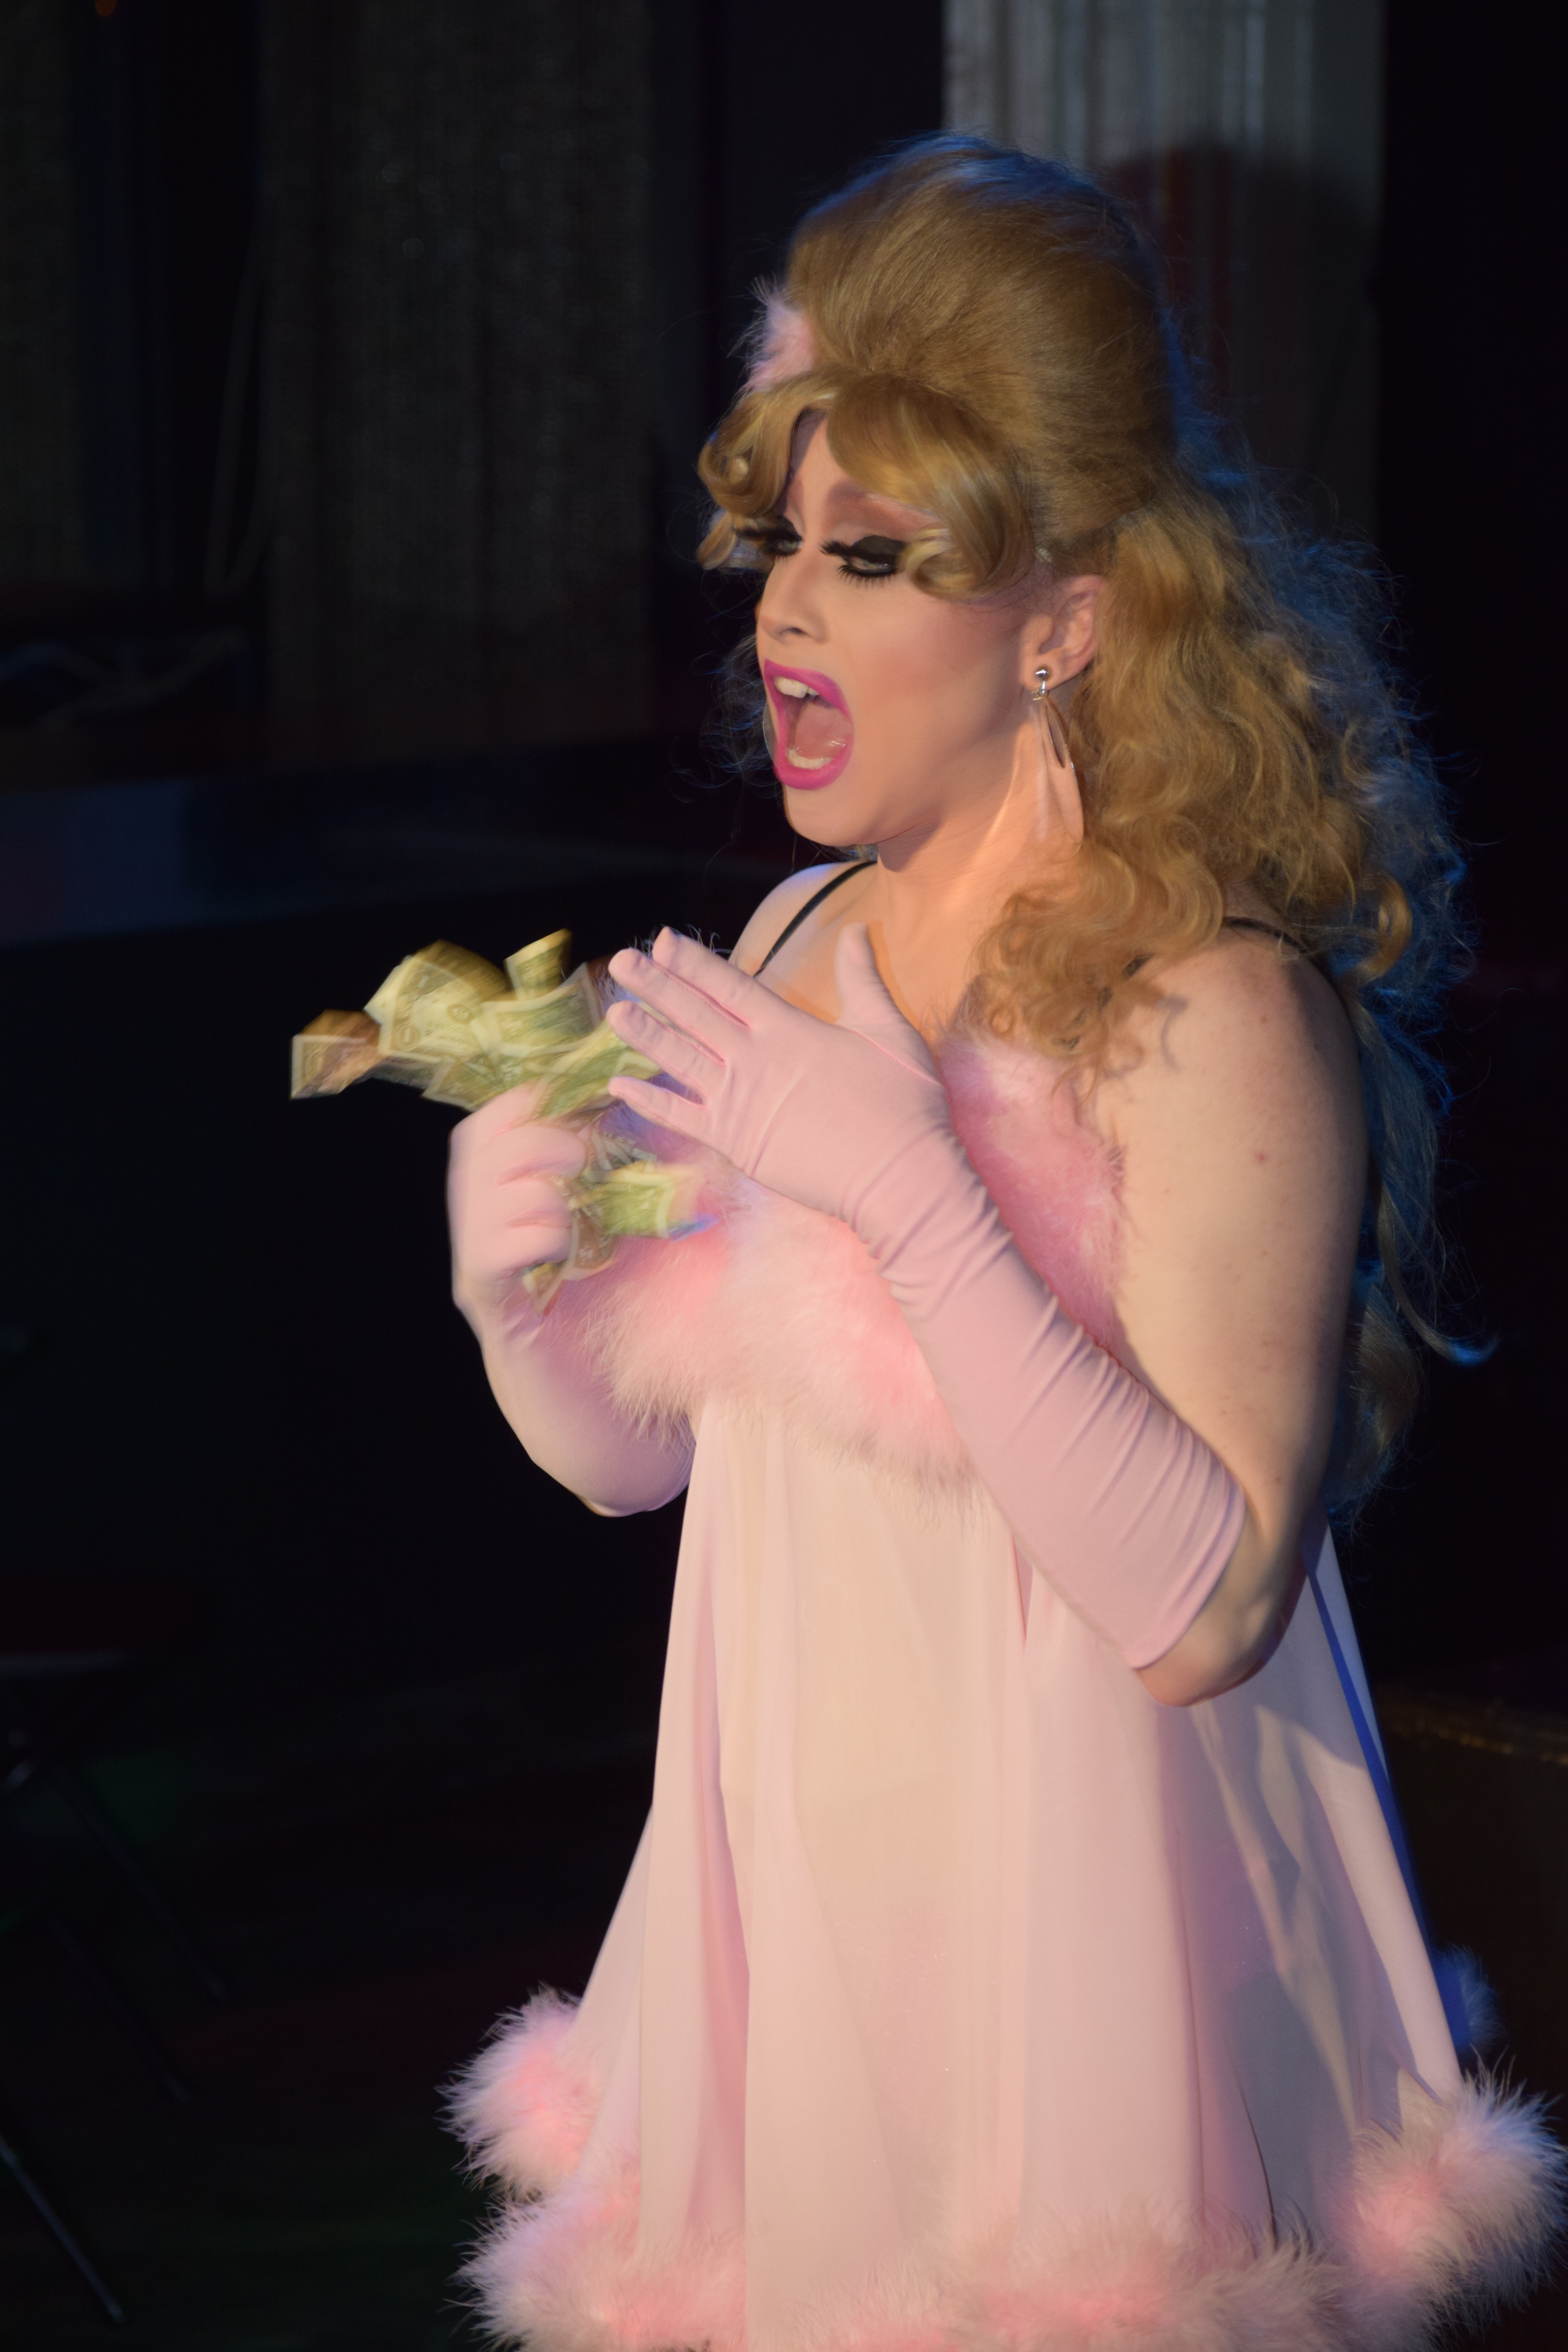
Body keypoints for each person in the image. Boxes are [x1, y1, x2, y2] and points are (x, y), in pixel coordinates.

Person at [443, 140, 1561, 2352]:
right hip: (806, 1905)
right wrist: (518, 1296)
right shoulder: (795, 940)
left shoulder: (1207, 1008)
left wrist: (914, 1196)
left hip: (1092, 1960)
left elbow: (1198, 1609)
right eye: (784, 542)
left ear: (1066, 619)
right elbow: (641, 1465)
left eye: (871, 557)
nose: (784, 612)